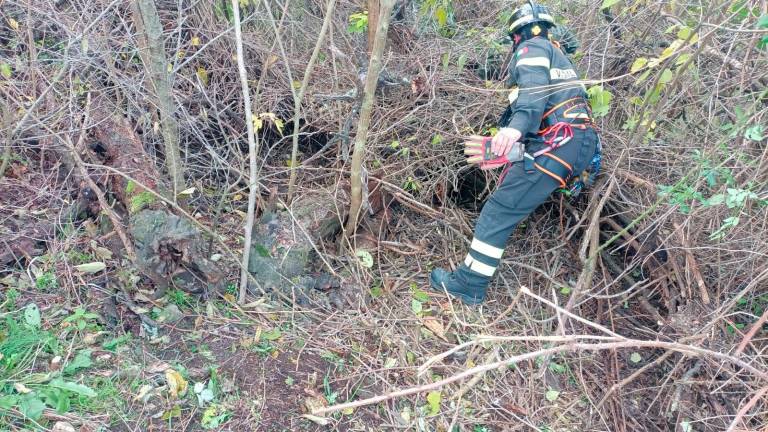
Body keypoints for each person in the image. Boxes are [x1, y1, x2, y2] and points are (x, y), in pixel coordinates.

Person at [430, 1, 601, 305]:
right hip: (573, 145)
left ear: (516, 36)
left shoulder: (531, 48)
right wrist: (514, 152)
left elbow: (532, 96)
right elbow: (554, 115)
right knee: (506, 207)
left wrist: (513, 130)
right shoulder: (560, 57)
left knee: (498, 212)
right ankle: (470, 278)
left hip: (558, 143)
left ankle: (469, 285)